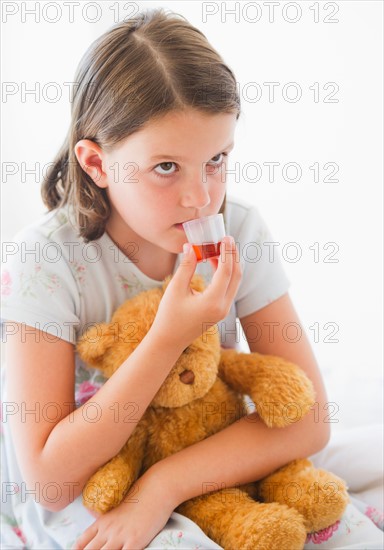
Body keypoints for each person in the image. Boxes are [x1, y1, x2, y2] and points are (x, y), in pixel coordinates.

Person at [1, 7, 382, 550]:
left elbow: (310, 419)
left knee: (346, 531)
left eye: (217, 159)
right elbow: (51, 482)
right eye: (165, 167)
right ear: (97, 164)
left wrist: (162, 486)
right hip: (97, 488)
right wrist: (168, 338)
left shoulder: (239, 229)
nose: (201, 197)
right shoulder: (45, 261)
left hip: (207, 461)